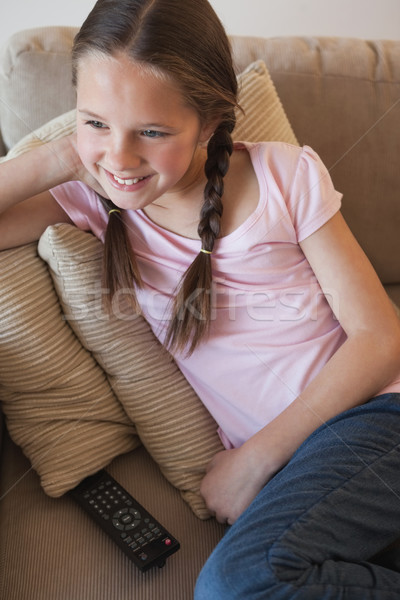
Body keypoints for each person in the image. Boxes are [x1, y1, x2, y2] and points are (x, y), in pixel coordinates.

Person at [1, 0, 400, 597]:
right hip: (307, 482)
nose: (120, 157)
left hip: (375, 423)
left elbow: (381, 338)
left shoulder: (283, 178)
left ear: (210, 121)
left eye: (152, 132)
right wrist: (63, 154)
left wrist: (255, 459)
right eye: (97, 122)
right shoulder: (96, 199)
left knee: (237, 585)